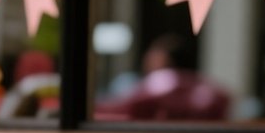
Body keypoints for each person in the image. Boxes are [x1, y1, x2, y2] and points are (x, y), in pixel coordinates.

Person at [95, 33, 230, 121]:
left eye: (154, 54)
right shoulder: (208, 86)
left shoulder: (163, 81)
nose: (147, 58)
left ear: (167, 59)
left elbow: (123, 109)